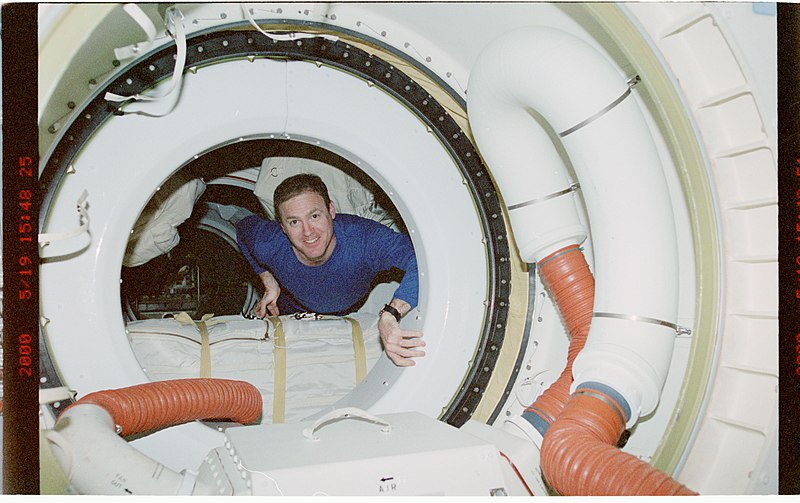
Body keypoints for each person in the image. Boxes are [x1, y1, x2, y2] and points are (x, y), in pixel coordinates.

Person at [236, 173, 425, 367]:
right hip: (290, 309)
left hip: (349, 312)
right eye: (294, 222)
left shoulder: (364, 240)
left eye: (315, 216)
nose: (308, 231)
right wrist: (268, 281)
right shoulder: (268, 243)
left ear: (331, 210)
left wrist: (390, 314)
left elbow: (423, 260)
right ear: (282, 226)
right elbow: (242, 229)